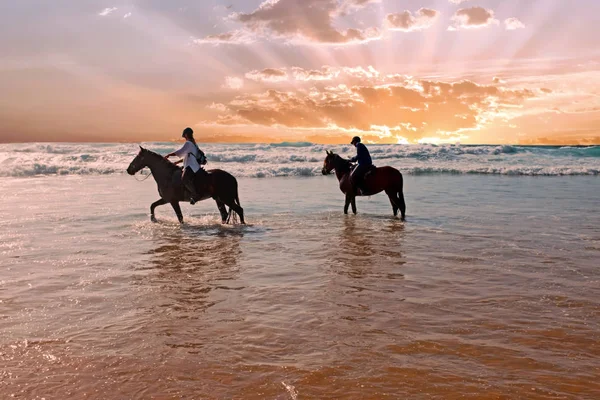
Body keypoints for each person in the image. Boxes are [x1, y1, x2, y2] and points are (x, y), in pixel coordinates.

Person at [164, 127, 207, 204]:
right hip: (193, 165)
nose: (184, 137)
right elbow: (187, 156)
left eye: (184, 135)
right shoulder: (194, 144)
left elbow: (180, 152)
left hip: (191, 166)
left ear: (186, 135)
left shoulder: (188, 143)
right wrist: (177, 162)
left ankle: (195, 194)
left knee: (184, 179)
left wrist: (169, 155)